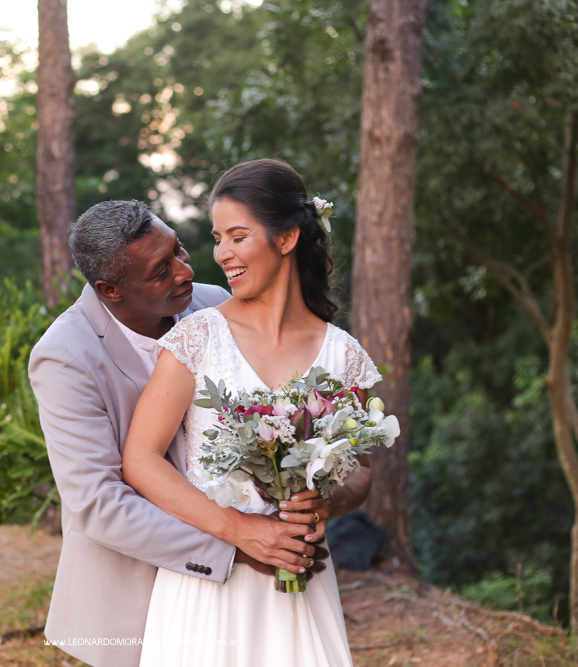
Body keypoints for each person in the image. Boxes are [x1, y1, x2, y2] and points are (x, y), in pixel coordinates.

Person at [29, 199, 329, 667]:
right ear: (111, 289)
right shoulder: (65, 356)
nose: (185, 272)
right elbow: (97, 503)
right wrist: (241, 543)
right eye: (160, 271)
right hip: (134, 592)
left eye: (181, 251)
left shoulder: (216, 306)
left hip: (259, 587)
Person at [122, 158, 378, 666]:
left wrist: (326, 503)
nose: (222, 254)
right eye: (218, 238)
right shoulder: (197, 339)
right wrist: (239, 531)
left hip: (300, 585)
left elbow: (363, 474)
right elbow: (141, 460)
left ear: (286, 239)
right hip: (209, 590)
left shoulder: (343, 354)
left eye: (238, 237)